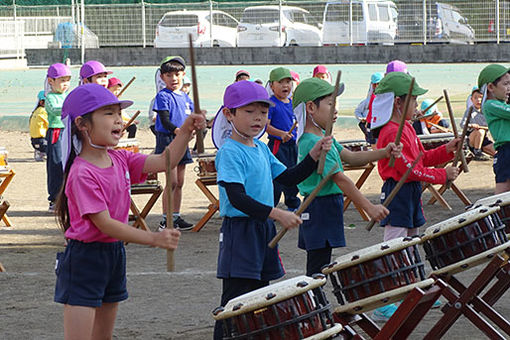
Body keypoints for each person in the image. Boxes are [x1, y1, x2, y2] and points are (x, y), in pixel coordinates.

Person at [54, 84, 206, 339]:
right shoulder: (82, 172)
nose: (119, 120)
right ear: (82, 124)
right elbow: (104, 223)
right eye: (109, 113)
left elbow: (165, 160)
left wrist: (186, 132)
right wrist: (153, 238)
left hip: (114, 253)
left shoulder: (120, 158)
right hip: (85, 259)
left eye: (118, 113)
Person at [213, 80, 332, 339]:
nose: (258, 118)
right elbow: (237, 198)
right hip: (240, 231)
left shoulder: (262, 148)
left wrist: (313, 154)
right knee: (235, 300)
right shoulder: (230, 152)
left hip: (263, 228)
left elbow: (289, 177)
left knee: (258, 297)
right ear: (228, 114)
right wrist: (277, 213)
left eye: (264, 112)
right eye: (249, 111)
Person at [370, 72, 460, 321]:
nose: (417, 106)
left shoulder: (406, 127)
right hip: (397, 192)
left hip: (409, 192)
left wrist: (446, 150)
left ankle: (415, 289)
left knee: (411, 242)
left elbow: (421, 159)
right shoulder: (390, 132)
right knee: (395, 247)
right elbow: (409, 170)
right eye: (413, 101)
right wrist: (443, 175)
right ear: (398, 102)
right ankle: (386, 299)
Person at [292, 77, 396, 277]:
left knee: (321, 265)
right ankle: (316, 305)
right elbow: (339, 178)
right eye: (330, 104)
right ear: (311, 108)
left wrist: (384, 152)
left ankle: (317, 304)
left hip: (328, 205)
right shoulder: (310, 142)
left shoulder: (324, 137)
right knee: (317, 268)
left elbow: (353, 157)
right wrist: (369, 207)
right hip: (318, 207)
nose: (336, 110)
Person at [153, 56, 195, 230]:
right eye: (169, 75)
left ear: (183, 75)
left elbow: (192, 116)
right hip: (168, 139)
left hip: (182, 139)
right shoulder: (163, 96)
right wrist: (180, 132)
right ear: (162, 77)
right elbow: (165, 120)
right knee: (171, 181)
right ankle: (166, 219)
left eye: (177, 74)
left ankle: (176, 216)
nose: (174, 78)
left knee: (180, 182)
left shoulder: (185, 97)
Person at [266, 67, 300, 211]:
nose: (285, 85)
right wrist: (281, 134)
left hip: (293, 145)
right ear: (272, 85)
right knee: (277, 176)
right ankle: (270, 207)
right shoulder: (270, 104)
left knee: (294, 174)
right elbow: (265, 126)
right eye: (281, 82)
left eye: (288, 82)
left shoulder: (292, 102)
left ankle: (292, 204)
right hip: (277, 146)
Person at [478, 64, 510, 194]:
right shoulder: (490, 105)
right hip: (506, 150)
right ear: (491, 87)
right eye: (506, 84)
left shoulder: (502, 104)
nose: (509, 88)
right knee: (503, 189)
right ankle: (500, 213)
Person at [45, 63, 72, 212]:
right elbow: (55, 111)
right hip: (56, 132)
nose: (65, 84)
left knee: (68, 163)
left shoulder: (68, 95)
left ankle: (67, 197)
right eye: (62, 80)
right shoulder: (49, 97)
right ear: (51, 81)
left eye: (67, 80)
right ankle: (54, 198)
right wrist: (69, 108)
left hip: (68, 131)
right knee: (55, 164)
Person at [460, 86, 495, 161]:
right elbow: (462, 125)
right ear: (471, 99)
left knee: (496, 153)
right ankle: (477, 151)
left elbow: (491, 126)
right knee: (480, 132)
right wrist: (471, 125)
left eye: (481, 98)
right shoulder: (469, 111)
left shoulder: (487, 112)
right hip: (471, 138)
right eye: (475, 98)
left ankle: (481, 149)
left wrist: (481, 127)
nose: (478, 100)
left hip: (483, 139)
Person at [354, 72, 383, 143]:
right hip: (369, 123)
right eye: (375, 84)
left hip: (378, 124)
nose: (376, 86)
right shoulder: (368, 100)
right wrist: (361, 118)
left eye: (378, 84)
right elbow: (357, 111)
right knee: (373, 140)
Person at [29, 90, 49, 162]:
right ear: (41, 102)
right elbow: (49, 124)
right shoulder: (43, 111)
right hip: (41, 140)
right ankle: (43, 152)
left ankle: (39, 152)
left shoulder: (36, 111)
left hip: (33, 139)